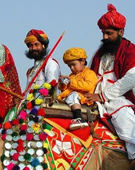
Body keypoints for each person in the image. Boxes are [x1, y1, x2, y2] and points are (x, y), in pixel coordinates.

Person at [85, 4, 135, 161]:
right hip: (95, 100)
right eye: (103, 33)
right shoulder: (99, 54)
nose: (105, 37)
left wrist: (103, 96)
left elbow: (131, 78)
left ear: (121, 32)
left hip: (119, 99)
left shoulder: (130, 50)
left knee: (125, 121)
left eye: (109, 33)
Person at [57, 47, 98, 130]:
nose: (72, 68)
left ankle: (79, 118)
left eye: (73, 65)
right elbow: (65, 90)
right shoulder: (72, 75)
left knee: (73, 95)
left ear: (82, 61)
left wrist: (71, 82)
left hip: (84, 99)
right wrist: (62, 84)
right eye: (69, 66)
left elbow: (88, 86)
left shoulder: (90, 73)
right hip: (72, 99)